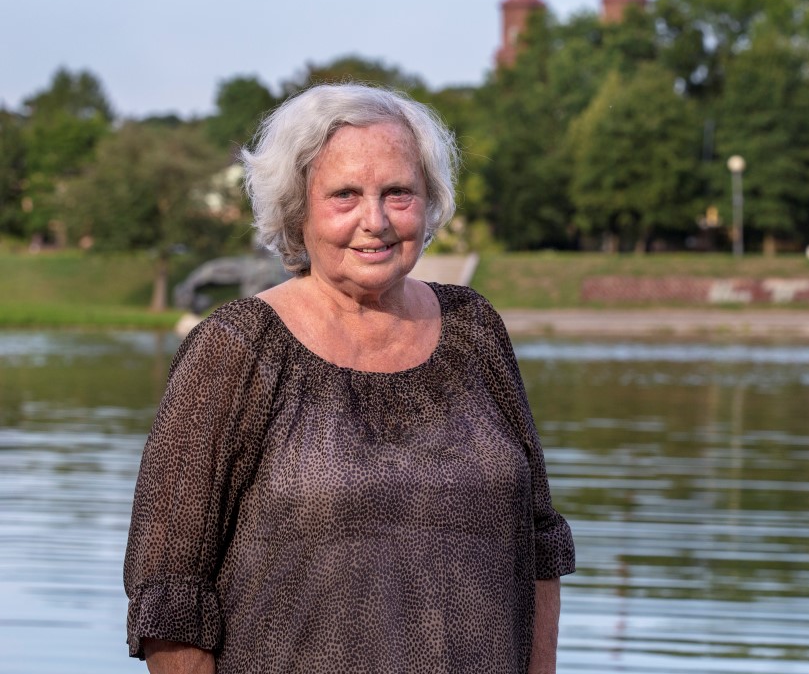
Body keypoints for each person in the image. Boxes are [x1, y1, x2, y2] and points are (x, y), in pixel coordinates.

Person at [123, 83, 576, 674]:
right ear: (298, 209)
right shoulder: (235, 349)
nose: (375, 221)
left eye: (398, 193)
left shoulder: (474, 329)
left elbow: (539, 546)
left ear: (428, 201)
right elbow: (169, 595)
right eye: (345, 195)